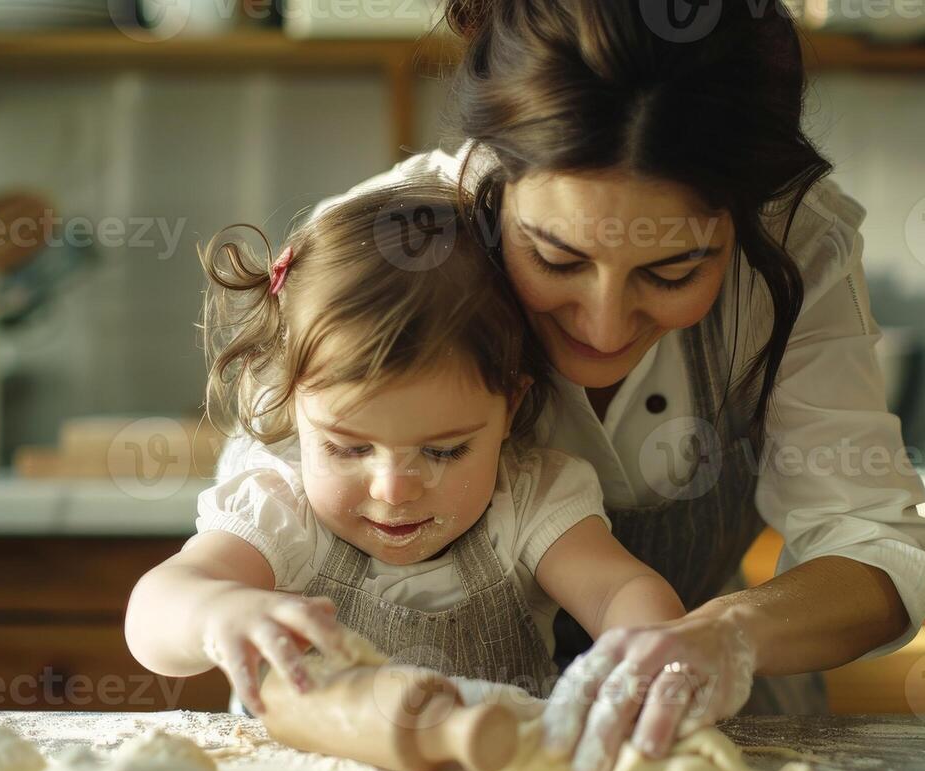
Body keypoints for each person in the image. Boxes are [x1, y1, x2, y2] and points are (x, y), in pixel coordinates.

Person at [300, 0, 925, 771]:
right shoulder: (375, 262)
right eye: (556, 259)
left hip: (714, 732)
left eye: (673, 271)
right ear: (497, 180)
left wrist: (727, 637)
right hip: (425, 755)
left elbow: (874, 543)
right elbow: (249, 569)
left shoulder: (796, 247)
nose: (605, 326)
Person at [124, 178, 693, 742]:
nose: (394, 489)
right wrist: (219, 612)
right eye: (348, 448)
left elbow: (618, 591)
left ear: (510, 404)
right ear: (296, 407)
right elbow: (154, 617)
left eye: (444, 450)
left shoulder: (528, 498)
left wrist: (649, 656)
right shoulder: (282, 510)